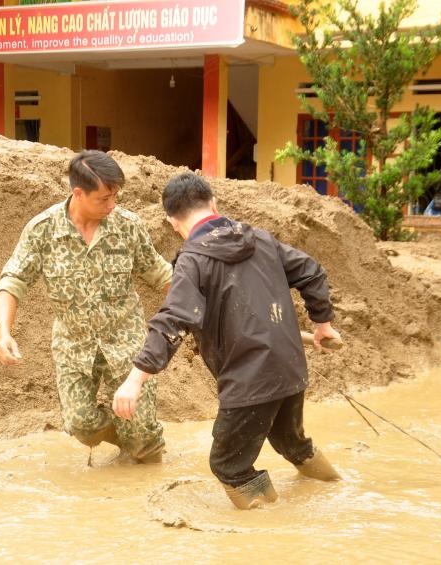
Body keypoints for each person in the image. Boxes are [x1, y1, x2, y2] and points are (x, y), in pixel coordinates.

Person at [111, 172, 343, 510]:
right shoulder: (261, 239)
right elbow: (311, 271)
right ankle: (335, 489)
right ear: (214, 205)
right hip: (291, 369)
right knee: (291, 441)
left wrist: (135, 380)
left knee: (228, 465)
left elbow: (173, 320)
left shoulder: (193, 260)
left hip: (250, 379)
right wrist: (322, 325)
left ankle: (274, 535)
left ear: (173, 222)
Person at [0, 150, 173, 463]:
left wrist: (199, 308)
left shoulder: (128, 226)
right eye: (104, 198)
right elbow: (12, 281)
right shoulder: (43, 230)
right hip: (74, 346)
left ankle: (141, 446)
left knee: (143, 435)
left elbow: (160, 273)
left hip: (127, 344)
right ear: (79, 193)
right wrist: (4, 334)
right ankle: (127, 440)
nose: (112, 205)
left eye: (116, 196)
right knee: (81, 424)